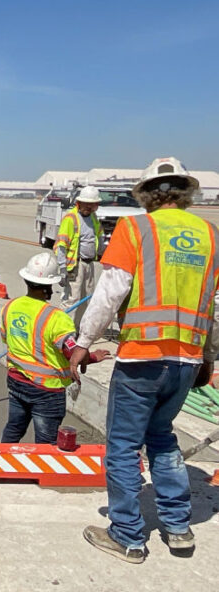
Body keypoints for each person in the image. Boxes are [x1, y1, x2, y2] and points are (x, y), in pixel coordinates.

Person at [70, 156, 219, 564]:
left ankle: (128, 536)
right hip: (187, 360)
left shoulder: (135, 229)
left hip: (142, 359)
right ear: (185, 192)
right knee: (163, 438)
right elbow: (213, 306)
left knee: (122, 447)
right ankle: (178, 527)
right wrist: (208, 359)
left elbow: (110, 293)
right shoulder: (211, 234)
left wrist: (84, 341)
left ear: (148, 194)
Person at [0, 252, 109, 443]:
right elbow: (73, 354)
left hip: (16, 381)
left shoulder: (10, 307)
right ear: (48, 288)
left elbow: (7, 340)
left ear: (27, 280)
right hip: (47, 391)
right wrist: (91, 357)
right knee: (46, 443)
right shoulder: (57, 318)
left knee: (13, 429)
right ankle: (41, 472)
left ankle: (0, 467)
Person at [55, 185, 103, 325]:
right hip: (75, 265)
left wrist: (103, 253)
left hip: (89, 263)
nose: (89, 208)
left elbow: (98, 236)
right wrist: (63, 268)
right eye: (87, 204)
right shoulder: (71, 218)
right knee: (72, 299)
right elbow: (61, 245)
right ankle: (64, 330)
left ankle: (79, 329)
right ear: (79, 203)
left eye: (92, 205)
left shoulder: (93, 217)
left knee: (86, 298)